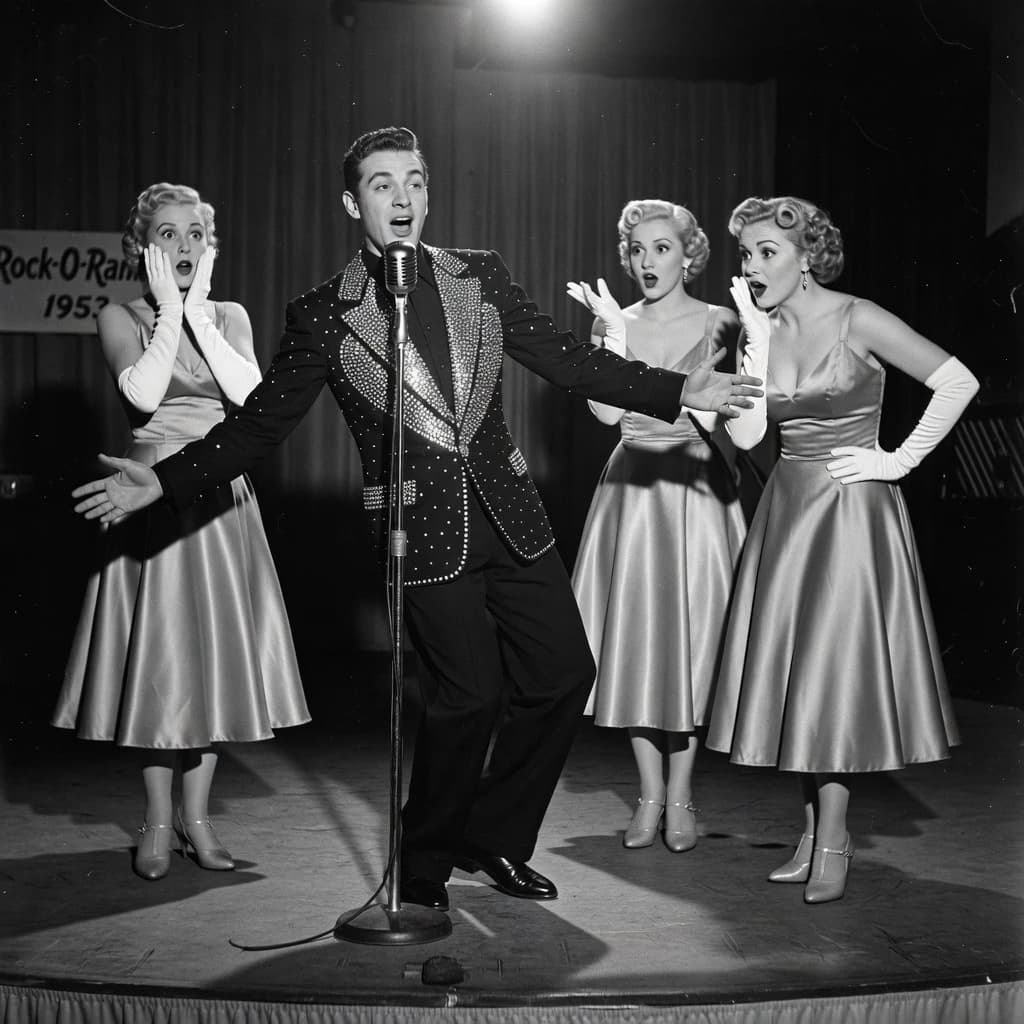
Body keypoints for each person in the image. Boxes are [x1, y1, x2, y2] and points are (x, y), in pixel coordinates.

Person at [70, 128, 762, 913]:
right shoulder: (324, 314)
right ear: (352, 203)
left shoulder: (480, 276)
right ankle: (424, 863)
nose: (402, 198)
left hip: (511, 515)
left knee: (565, 672)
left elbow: (568, 360)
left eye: (415, 181)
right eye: (382, 184)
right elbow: (259, 427)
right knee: (467, 697)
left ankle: (491, 836)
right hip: (422, 530)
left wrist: (677, 389)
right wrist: (163, 482)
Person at [705, 195, 978, 903]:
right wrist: (754, 346)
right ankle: (812, 837)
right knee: (799, 678)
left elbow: (958, 382)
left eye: (768, 252)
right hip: (788, 511)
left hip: (852, 512)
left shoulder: (859, 316)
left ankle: (833, 839)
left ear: (807, 258)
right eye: (747, 253)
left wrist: (897, 460)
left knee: (832, 679)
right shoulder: (760, 328)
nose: (753, 266)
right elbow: (746, 438)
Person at [53, 183, 310, 881]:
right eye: (167, 233)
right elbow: (142, 393)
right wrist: (172, 312)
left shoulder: (230, 315)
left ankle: (198, 819)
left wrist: (196, 312)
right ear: (143, 247)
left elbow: (250, 398)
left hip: (219, 496)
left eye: (195, 232)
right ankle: (159, 822)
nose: (185, 244)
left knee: (213, 662)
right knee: (160, 667)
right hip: (149, 497)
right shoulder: (119, 315)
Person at [567, 200, 746, 853]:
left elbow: (732, 415)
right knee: (636, 644)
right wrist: (612, 339)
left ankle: (681, 796)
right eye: (638, 249)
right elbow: (603, 416)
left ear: (688, 254)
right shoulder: (613, 321)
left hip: (696, 491)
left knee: (692, 648)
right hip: (634, 493)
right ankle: (648, 794)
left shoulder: (723, 320)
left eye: (662, 248)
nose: (647, 261)